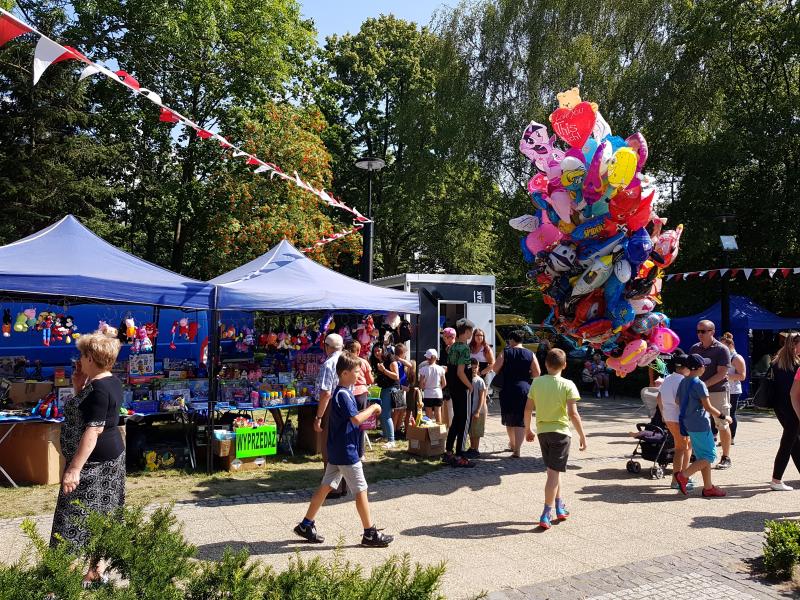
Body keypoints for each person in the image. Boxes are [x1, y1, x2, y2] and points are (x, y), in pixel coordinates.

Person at [294, 352, 393, 547]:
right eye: (356, 371)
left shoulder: (342, 393)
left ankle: (306, 525)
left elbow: (351, 419)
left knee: (326, 486)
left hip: (337, 450)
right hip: (346, 452)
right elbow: (355, 419)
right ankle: (370, 533)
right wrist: (373, 408)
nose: (359, 375)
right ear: (345, 373)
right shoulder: (343, 395)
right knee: (361, 489)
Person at [51, 331, 125, 588]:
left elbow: (93, 430)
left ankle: (59, 580)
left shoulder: (99, 390)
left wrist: (74, 469)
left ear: (91, 358)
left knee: (70, 519)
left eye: (82, 355)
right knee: (103, 515)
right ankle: (96, 572)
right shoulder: (109, 382)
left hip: (94, 466)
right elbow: (90, 412)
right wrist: (78, 387)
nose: (79, 360)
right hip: (109, 460)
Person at [524, 348, 586, 530]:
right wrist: (582, 435)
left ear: (545, 364)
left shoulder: (536, 383)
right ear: (564, 365)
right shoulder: (568, 384)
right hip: (561, 433)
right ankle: (546, 512)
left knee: (553, 471)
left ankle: (559, 505)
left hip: (543, 432)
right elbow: (573, 414)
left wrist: (528, 429)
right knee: (553, 474)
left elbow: (528, 409)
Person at [674, 354, 732, 497]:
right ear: (699, 368)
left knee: (702, 456)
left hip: (688, 423)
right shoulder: (700, 384)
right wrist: (724, 417)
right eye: (704, 365)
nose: (705, 368)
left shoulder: (683, 381)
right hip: (700, 424)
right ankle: (683, 476)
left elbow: (677, 401)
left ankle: (708, 488)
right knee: (710, 455)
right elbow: (708, 407)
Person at [690, 320, 733, 469]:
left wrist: (702, 386)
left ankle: (726, 457)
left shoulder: (721, 349)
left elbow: (722, 374)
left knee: (722, 424)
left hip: (717, 391)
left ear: (712, 332)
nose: (700, 334)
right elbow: (690, 370)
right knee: (697, 424)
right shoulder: (695, 348)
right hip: (698, 393)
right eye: (698, 331)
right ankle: (697, 454)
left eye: (703, 331)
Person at [492, 330, 541, 457]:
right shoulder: (530, 353)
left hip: (507, 388)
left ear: (511, 340)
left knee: (509, 417)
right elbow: (537, 373)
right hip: (524, 388)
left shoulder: (506, 352)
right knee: (520, 419)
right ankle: (517, 449)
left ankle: (513, 444)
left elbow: (495, 368)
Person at [656, 352, 693, 490]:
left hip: (669, 417)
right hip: (679, 418)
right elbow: (681, 402)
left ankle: (684, 476)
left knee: (686, 446)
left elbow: (658, 397)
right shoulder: (682, 381)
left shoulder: (668, 378)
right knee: (681, 449)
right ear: (686, 368)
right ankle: (676, 480)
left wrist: (663, 414)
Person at [443, 318, 476, 467]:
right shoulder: (464, 348)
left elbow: (451, 370)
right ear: (467, 332)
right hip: (462, 388)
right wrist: (470, 386)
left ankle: (448, 452)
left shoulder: (452, 347)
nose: (472, 334)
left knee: (456, 419)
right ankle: (460, 455)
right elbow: (460, 372)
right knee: (464, 421)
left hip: (453, 388)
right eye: (471, 331)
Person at [770, 332, 800, 491]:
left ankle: (777, 479)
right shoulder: (795, 364)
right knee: (788, 443)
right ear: (795, 344)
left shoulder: (777, 361)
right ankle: (776, 480)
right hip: (792, 407)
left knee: (793, 441)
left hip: (780, 407)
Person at [370, 344, 400, 449]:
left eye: (379, 350)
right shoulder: (376, 361)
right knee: (381, 413)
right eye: (375, 351)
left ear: (383, 350)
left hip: (391, 388)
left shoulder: (390, 358)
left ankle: (391, 440)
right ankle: (385, 436)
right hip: (382, 388)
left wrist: (384, 370)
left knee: (386, 414)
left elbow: (396, 376)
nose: (377, 353)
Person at [720, 332, 746, 444]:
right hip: (723, 389)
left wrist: (727, 376)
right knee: (722, 414)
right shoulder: (723, 356)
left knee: (730, 414)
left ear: (730, 345)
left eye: (723, 346)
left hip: (733, 390)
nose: (721, 348)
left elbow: (742, 376)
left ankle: (731, 438)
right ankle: (724, 437)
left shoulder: (737, 358)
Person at [467, 358, 488, 458]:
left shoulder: (480, 381)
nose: (474, 369)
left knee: (476, 432)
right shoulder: (468, 379)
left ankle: (476, 449)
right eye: (472, 367)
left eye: (476, 367)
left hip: (478, 410)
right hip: (470, 410)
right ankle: (472, 448)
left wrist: (478, 411)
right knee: (471, 431)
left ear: (478, 368)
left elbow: (482, 397)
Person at [419, 348, 446, 423]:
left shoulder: (423, 369)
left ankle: (429, 430)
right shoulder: (440, 369)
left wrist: (424, 388)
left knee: (428, 415)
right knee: (438, 413)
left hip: (428, 393)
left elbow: (421, 384)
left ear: (427, 358)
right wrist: (439, 388)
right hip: (438, 393)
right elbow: (444, 383)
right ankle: (438, 429)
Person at [345, 340, 373, 410]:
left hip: (346, 392)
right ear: (358, 351)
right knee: (360, 414)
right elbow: (370, 380)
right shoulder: (363, 362)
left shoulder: (343, 362)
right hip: (360, 393)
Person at [394, 343, 414, 436]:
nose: (405, 355)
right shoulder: (394, 361)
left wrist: (400, 359)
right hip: (398, 388)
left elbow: (409, 365)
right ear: (401, 352)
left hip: (402, 388)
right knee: (397, 411)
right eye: (404, 352)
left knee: (402, 410)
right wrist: (401, 386)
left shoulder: (401, 361)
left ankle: (398, 429)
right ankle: (394, 430)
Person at [440, 327, 456, 427]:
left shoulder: (456, 349)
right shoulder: (446, 349)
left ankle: (452, 429)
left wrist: (447, 369)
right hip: (446, 381)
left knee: (451, 409)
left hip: (453, 383)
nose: (443, 338)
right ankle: (446, 429)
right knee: (445, 407)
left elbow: (458, 367)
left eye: (445, 337)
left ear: (451, 337)